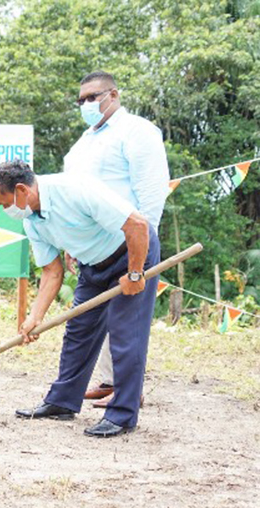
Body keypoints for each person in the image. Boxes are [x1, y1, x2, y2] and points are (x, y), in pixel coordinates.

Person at [0, 160, 159, 438]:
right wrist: (35, 317)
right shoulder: (32, 219)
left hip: (131, 253)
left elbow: (137, 225)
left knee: (125, 334)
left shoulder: (75, 189)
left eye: (3, 203)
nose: (5, 210)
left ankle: (123, 415)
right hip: (92, 265)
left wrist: (136, 274)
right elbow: (52, 271)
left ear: (21, 190)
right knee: (79, 330)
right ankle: (62, 402)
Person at [64, 71, 170, 408]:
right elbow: (73, 197)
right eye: (81, 100)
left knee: (127, 327)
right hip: (93, 249)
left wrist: (142, 249)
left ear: (114, 95)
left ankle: (126, 395)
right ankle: (109, 383)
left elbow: (151, 193)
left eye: (92, 97)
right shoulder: (83, 143)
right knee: (87, 322)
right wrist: (73, 242)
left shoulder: (136, 132)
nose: (86, 104)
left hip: (130, 243)